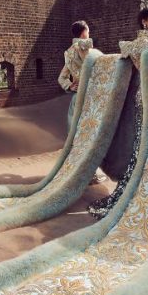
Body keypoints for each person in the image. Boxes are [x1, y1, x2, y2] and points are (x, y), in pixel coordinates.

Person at [87, 0, 148, 219]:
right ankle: (133, 192)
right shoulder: (143, 46)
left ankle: (142, 190)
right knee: (142, 147)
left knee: (145, 147)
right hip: (146, 100)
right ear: (144, 20)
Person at [58, 20, 107, 185]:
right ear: (83, 32)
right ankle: (90, 172)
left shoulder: (68, 52)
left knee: (77, 134)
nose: (89, 33)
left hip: (76, 98)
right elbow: (98, 67)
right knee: (90, 133)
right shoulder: (86, 47)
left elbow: (61, 78)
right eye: (88, 30)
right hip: (89, 97)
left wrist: (70, 85)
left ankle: (77, 169)